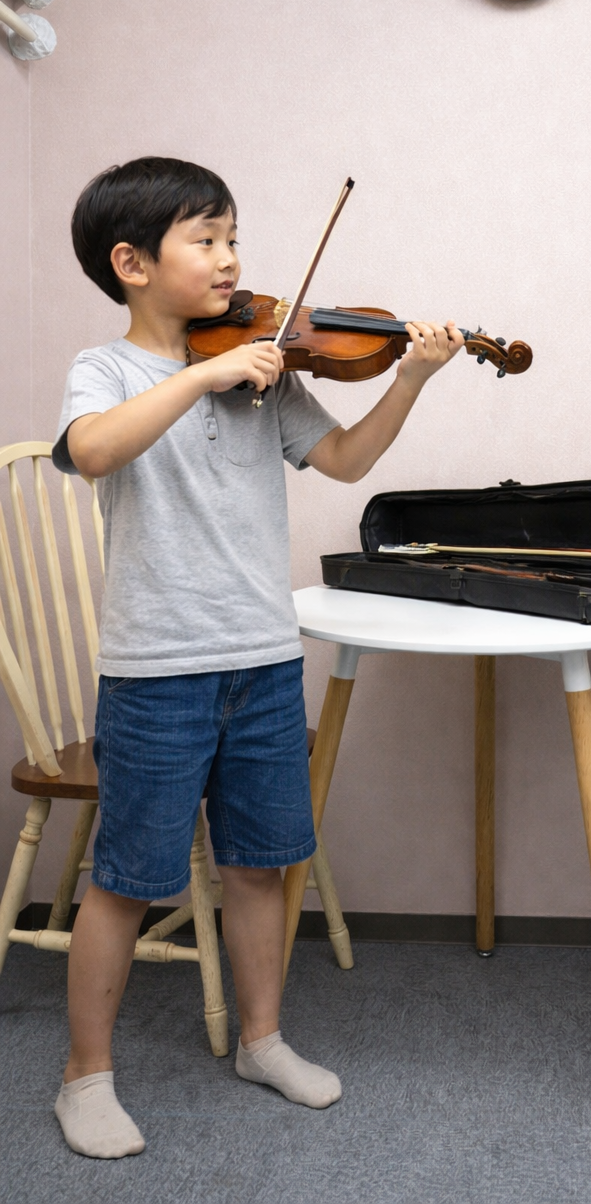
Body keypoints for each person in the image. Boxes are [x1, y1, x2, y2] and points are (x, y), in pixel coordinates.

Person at [53, 156, 467, 1158]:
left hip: (263, 657)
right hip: (156, 667)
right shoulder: (109, 372)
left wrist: (409, 376)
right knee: (125, 876)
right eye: (207, 240)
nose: (232, 258)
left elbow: (347, 461)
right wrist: (204, 373)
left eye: (235, 236)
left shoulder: (269, 366)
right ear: (133, 263)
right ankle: (85, 1075)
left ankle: (263, 1039)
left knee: (262, 862)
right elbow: (94, 451)